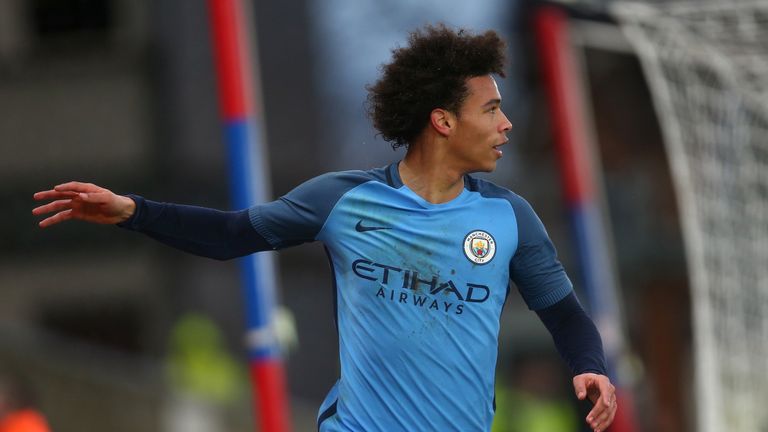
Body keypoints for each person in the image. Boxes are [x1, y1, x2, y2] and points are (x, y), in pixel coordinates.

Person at [33, 24, 617, 432]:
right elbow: (235, 234)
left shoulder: (508, 217)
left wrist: (589, 363)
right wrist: (133, 211)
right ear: (442, 120)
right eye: (490, 110)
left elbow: (562, 312)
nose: (507, 124)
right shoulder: (343, 199)